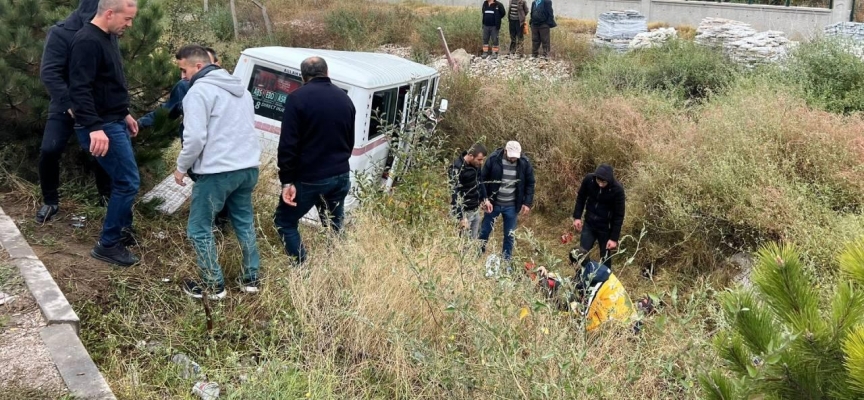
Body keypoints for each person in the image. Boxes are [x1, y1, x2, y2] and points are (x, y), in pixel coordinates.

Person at [172, 44, 262, 299]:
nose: (183, 77)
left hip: (217, 172)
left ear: (198, 66)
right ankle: (251, 279)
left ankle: (213, 286)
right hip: (247, 169)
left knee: (199, 228)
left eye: (183, 70)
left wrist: (181, 167)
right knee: (244, 223)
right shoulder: (241, 90)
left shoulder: (198, 92)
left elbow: (195, 138)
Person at [68, 0, 141, 267]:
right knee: (128, 182)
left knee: (123, 180)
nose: (129, 25)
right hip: (100, 126)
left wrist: (124, 112)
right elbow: (80, 89)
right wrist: (95, 128)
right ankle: (108, 244)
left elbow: (108, 84)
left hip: (113, 120)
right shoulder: (87, 40)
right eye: (127, 19)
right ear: (110, 13)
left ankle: (122, 230)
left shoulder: (108, 37)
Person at [37, 0, 112, 223]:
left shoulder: (108, 32)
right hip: (65, 105)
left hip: (97, 105)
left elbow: (112, 71)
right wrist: (71, 104)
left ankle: (106, 199)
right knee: (49, 150)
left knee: (103, 152)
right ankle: (50, 201)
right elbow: (50, 73)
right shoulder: (60, 33)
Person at [274, 56, 355, 265]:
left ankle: (302, 270)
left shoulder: (297, 98)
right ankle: (338, 270)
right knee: (334, 226)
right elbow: (349, 140)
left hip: (310, 177)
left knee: (284, 221)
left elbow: (288, 145)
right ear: (327, 73)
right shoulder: (345, 99)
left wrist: (287, 181)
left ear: (303, 77)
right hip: (340, 174)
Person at [138, 47, 230, 227]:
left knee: (215, 193)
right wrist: (141, 123)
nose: (183, 76)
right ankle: (214, 226)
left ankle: (211, 227)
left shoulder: (224, 88)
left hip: (217, 154)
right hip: (207, 154)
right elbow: (168, 111)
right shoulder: (186, 87)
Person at [478, 140, 535, 262]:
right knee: (485, 230)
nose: (514, 159)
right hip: (493, 203)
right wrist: (484, 199)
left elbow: (530, 183)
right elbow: (482, 179)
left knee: (509, 235)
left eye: (516, 157)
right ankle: (478, 253)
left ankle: (506, 261)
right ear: (505, 151)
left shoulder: (524, 163)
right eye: (511, 156)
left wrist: (527, 203)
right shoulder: (493, 159)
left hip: (512, 206)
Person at [572, 164, 626, 268]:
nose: (600, 184)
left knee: (605, 259)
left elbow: (619, 215)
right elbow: (581, 197)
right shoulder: (589, 180)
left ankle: (606, 281)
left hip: (606, 228)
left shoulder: (618, 190)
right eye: (598, 181)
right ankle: (580, 279)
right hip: (589, 224)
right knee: (582, 254)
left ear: (609, 181)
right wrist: (577, 217)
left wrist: (614, 238)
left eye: (603, 182)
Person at [448, 143, 488, 239]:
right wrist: (461, 217)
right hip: (464, 211)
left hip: (475, 210)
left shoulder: (476, 165)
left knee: (472, 242)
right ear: (470, 156)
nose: (481, 162)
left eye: (483, 159)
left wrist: (484, 198)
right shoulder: (457, 168)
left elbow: (480, 181)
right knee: (462, 244)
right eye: (479, 159)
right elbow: (455, 193)